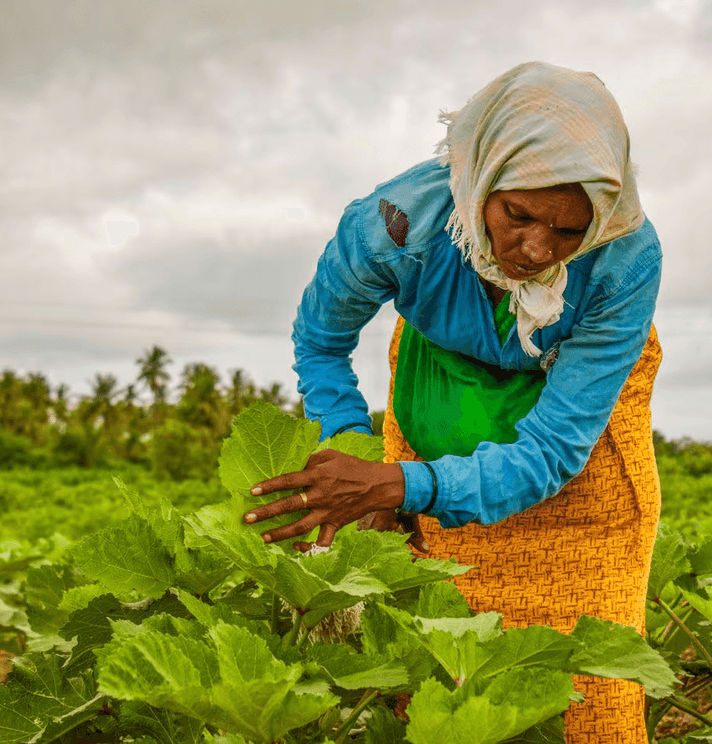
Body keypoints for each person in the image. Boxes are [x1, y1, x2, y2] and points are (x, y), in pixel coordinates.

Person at [244, 61, 662, 743]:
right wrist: (356, 462)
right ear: (482, 180)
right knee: (442, 681)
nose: (535, 249)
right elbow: (321, 343)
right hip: (434, 386)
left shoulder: (625, 259)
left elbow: (553, 451)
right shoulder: (396, 226)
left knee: (591, 705)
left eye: (568, 233)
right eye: (517, 215)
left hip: (572, 455)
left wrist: (399, 484)